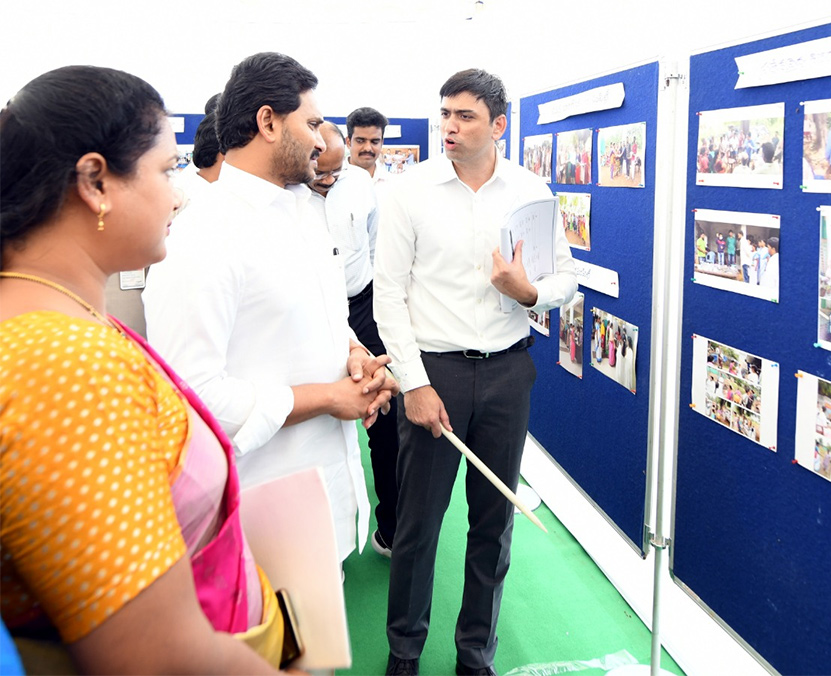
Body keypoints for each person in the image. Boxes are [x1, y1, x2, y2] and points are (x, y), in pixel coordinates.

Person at [1, 65, 287, 674]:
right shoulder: (66, 365)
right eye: (166, 169)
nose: (178, 193)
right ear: (96, 181)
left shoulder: (62, 319)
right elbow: (158, 657)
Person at [143, 52, 396, 564]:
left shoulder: (303, 213)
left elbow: (321, 317)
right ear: (268, 122)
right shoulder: (204, 235)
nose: (325, 142)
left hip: (322, 504)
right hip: (257, 525)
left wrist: (353, 355)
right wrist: (328, 397)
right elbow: (194, 398)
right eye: (313, 124)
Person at [374, 68, 577, 676]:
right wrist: (413, 383)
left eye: (464, 116)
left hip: (509, 372)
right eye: (445, 114)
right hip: (435, 371)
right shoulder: (410, 190)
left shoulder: (531, 190)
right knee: (418, 525)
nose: (450, 127)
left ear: (499, 125)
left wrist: (530, 291)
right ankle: (404, 653)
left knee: (493, 524)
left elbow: (564, 275)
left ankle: (474, 657)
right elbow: (388, 294)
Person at [309, 121, 402, 558]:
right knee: (320, 418)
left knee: (385, 416)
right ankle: (323, 539)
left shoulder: (361, 184)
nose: (327, 181)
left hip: (362, 307)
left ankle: (392, 528)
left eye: (335, 172)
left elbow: (373, 246)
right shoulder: (289, 195)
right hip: (312, 310)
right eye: (319, 174)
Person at [347, 106, 391, 186]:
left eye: (374, 142)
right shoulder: (332, 182)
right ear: (348, 142)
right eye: (360, 141)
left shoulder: (393, 185)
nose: (367, 148)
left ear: (381, 143)